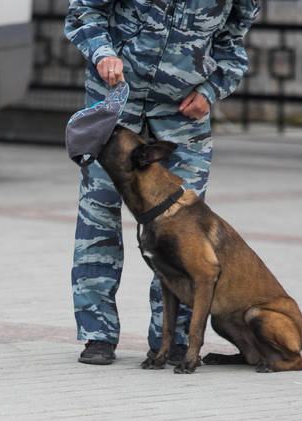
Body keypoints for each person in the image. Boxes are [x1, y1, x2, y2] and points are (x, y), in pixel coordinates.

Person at [65, 0, 260, 365]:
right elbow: (84, 12)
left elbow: (232, 42)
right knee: (98, 218)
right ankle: (98, 335)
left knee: (186, 231)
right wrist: (103, 52)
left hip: (182, 115)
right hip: (116, 103)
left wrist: (212, 90)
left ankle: (170, 342)